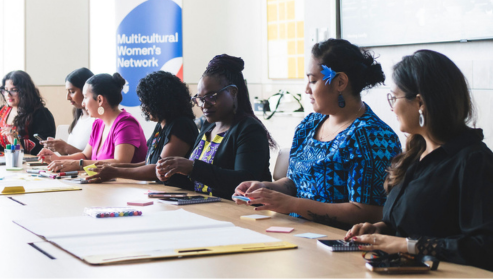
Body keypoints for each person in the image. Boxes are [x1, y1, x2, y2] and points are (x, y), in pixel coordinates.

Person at [344, 50, 493, 271]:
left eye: (394, 97)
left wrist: (406, 245)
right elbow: (410, 224)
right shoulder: (415, 153)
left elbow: (484, 247)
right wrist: (381, 229)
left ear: (420, 102)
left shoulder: (473, 160)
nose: (391, 107)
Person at [234, 39, 402, 230]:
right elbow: (295, 183)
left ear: (340, 82)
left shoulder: (372, 136)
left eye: (313, 81)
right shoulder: (309, 124)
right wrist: (265, 189)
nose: (307, 89)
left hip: (339, 244)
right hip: (297, 233)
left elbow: (368, 213)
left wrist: (292, 204)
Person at [155, 54, 274, 199]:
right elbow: (197, 183)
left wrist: (192, 168)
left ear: (233, 92)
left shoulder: (249, 129)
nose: (204, 105)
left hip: (240, 213)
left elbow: (244, 182)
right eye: (200, 99)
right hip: (207, 208)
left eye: (212, 96)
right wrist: (170, 174)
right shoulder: (208, 126)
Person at [83, 71, 198, 183]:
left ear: (160, 101)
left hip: (179, 194)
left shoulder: (181, 125)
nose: (143, 108)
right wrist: (110, 167)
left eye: (146, 103)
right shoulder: (162, 125)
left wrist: (116, 171)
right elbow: (148, 163)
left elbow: (158, 170)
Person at [37, 73, 147, 172]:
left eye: (85, 97)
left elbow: (121, 163)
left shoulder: (126, 124)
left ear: (100, 100)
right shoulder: (98, 123)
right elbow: (85, 155)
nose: (83, 104)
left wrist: (77, 164)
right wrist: (57, 159)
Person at [0, 70, 55, 155]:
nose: (8, 94)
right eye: (5, 90)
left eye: (13, 90)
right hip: (3, 160)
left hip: (29, 163)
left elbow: (43, 146)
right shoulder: (2, 111)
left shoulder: (40, 113)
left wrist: (16, 141)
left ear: (25, 91)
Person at [41, 67, 95, 155]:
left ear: (86, 90)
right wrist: (59, 149)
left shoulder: (98, 120)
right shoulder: (79, 116)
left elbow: (96, 159)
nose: (67, 97)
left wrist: (66, 148)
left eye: (72, 92)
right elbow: (73, 156)